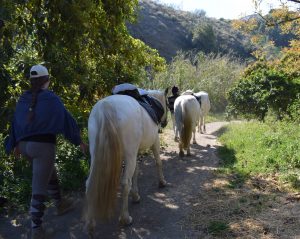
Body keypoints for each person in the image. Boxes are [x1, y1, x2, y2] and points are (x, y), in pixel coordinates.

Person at [4, 64, 88, 239]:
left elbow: (15, 123)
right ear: (47, 81)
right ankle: (37, 230)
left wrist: (14, 144)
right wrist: (78, 141)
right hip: (43, 147)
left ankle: (60, 203)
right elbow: (67, 121)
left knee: (49, 172)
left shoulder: (23, 98)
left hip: (25, 146)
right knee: (38, 187)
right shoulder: (51, 99)